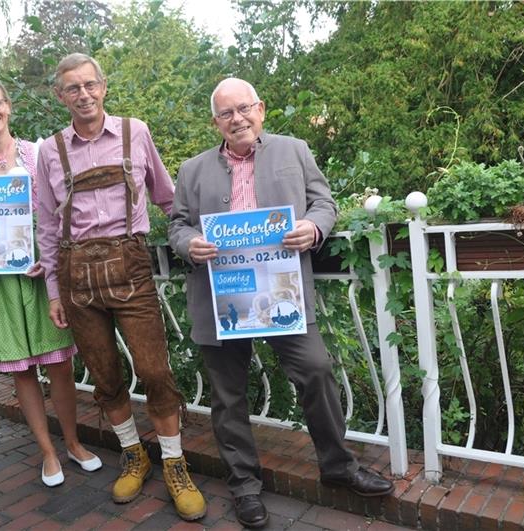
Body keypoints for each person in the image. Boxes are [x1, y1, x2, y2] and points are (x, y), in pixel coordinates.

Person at [169, 78, 395, 528]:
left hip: (282, 291)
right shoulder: (192, 170)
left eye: (245, 108)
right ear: (216, 122)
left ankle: (338, 466)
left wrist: (313, 227)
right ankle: (245, 487)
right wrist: (188, 242)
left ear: (261, 110)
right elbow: (176, 224)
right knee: (228, 396)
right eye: (227, 113)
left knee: (314, 369)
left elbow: (323, 202)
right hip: (222, 297)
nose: (238, 119)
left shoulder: (294, 149)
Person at [35, 53, 206, 521]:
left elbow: (169, 200)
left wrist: (196, 241)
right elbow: (48, 228)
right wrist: (53, 290)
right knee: (106, 378)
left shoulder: (136, 132)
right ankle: (134, 455)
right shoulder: (49, 151)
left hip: (131, 269)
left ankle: (174, 462)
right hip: (76, 279)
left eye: (90, 85)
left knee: (154, 371)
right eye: (73, 88)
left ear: (104, 86)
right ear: (60, 96)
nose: (83, 95)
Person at [0, 77, 102, 489]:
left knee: (60, 364)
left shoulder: (39, 152)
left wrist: (52, 261)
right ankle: (47, 451)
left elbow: (62, 211)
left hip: (40, 272)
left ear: (9, 106)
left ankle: (73, 442)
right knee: (23, 371)